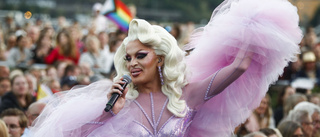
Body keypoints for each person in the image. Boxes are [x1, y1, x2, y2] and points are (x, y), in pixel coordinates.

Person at [30, 0, 302, 136]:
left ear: (160, 58)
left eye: (141, 55)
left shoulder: (186, 96)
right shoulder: (117, 101)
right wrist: (107, 113)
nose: (133, 63)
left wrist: (252, 23)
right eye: (128, 58)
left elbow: (240, 66)